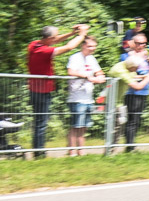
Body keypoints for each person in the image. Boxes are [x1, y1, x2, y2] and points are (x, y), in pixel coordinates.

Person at [27, 24, 87, 157]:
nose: (56, 39)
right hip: (41, 91)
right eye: (54, 37)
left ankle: (38, 150)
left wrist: (72, 34)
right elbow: (69, 47)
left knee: (39, 122)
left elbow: (57, 40)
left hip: (36, 89)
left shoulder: (35, 44)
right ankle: (39, 153)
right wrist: (81, 35)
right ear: (49, 38)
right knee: (41, 123)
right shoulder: (43, 51)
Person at [66, 35, 106, 156]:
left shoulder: (92, 59)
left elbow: (99, 72)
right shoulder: (75, 57)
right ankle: (72, 151)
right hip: (76, 98)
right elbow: (70, 71)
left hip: (88, 98)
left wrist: (100, 77)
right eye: (89, 46)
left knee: (84, 127)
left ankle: (81, 150)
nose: (92, 48)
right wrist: (87, 76)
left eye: (94, 46)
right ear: (83, 45)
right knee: (76, 126)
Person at [122, 34, 149, 151]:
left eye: (144, 43)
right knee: (132, 120)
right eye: (139, 43)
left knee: (137, 120)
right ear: (133, 43)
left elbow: (146, 71)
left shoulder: (147, 56)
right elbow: (127, 74)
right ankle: (129, 147)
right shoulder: (126, 56)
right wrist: (146, 75)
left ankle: (131, 145)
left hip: (144, 90)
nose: (142, 46)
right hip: (132, 91)